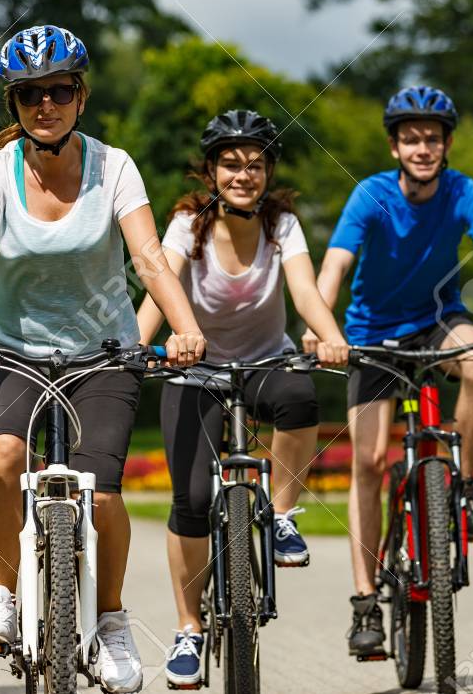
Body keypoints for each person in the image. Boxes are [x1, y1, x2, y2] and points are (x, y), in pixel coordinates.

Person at [0, 24, 206, 693]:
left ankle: (110, 621)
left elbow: (149, 259)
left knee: (101, 492)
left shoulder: (116, 167)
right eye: (28, 95)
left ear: (81, 95)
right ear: (13, 105)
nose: (44, 104)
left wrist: (184, 326)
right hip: (12, 350)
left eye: (57, 90)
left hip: (101, 352)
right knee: (2, 456)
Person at [301, 85, 473, 658]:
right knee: (367, 463)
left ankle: (462, 486)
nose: (422, 147)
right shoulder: (371, 195)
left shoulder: (465, 191)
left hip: (439, 321)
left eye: (432, 138)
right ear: (395, 146)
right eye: (411, 138)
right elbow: (335, 264)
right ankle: (365, 602)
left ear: (447, 145)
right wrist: (321, 328)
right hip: (371, 333)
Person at [136, 109, 350, 687]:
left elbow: (303, 288)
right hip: (195, 369)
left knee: (300, 398)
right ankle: (187, 628)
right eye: (230, 163)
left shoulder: (283, 224)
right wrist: (138, 344)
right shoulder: (188, 222)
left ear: (268, 171)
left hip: (265, 362)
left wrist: (331, 338)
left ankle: (281, 515)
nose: (243, 174)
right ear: (210, 171)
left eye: (255, 164)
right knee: (192, 500)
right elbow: (162, 281)